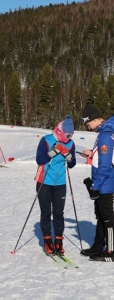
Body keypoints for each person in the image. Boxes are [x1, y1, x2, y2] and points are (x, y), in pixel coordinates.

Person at [35, 115, 76, 255]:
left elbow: (72, 164)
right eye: (67, 134)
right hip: (44, 181)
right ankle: (47, 242)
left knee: (59, 213)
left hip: (60, 183)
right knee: (46, 213)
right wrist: (52, 152)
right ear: (60, 131)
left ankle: (58, 242)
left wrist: (68, 156)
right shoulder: (46, 140)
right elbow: (39, 159)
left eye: (71, 134)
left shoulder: (70, 144)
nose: (69, 137)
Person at [80, 104, 114, 262]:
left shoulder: (106, 135)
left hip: (106, 185)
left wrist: (95, 186)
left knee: (108, 218)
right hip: (102, 183)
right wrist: (91, 154)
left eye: (88, 124)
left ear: (95, 119)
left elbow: (106, 166)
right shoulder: (103, 133)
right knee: (100, 216)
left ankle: (111, 251)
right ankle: (98, 245)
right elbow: (102, 157)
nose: (88, 127)